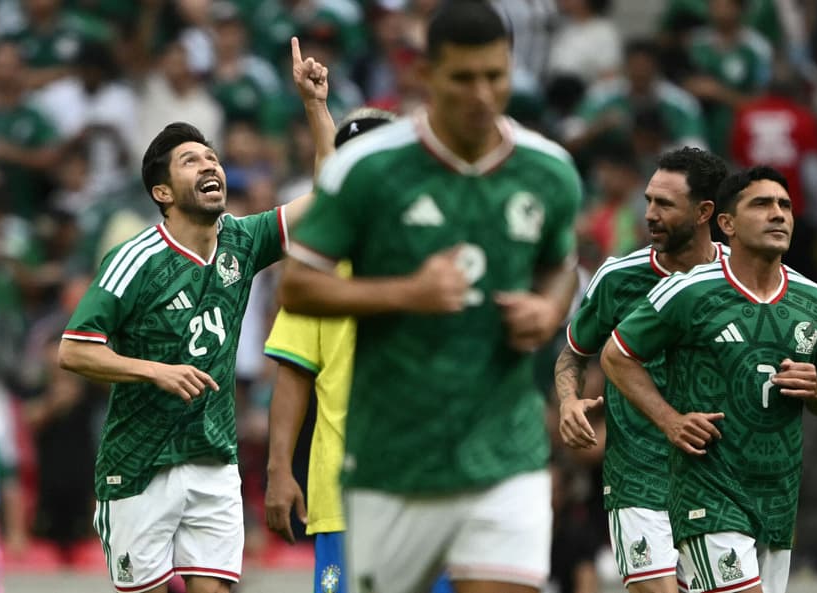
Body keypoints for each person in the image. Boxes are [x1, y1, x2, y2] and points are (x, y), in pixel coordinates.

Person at [278, 2, 583, 592]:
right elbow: (298, 285)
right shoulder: (368, 170)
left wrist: (548, 309)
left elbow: (560, 268)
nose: (482, 94)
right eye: (463, 78)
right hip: (393, 459)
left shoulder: (550, 172)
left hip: (504, 450)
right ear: (426, 74)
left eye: (495, 76)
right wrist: (408, 293)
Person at [57, 37, 332, 593]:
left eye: (212, 159)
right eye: (191, 161)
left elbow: (330, 195)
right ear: (162, 191)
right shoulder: (135, 259)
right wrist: (153, 371)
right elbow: (74, 349)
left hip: (213, 460)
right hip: (139, 466)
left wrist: (314, 106)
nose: (210, 165)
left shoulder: (242, 240)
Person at [600, 166, 817, 593]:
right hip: (708, 494)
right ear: (727, 223)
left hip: (777, 498)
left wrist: (816, 388)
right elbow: (617, 355)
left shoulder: (815, 301)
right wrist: (669, 420)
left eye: (785, 205)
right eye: (761, 204)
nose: (778, 214)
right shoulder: (688, 292)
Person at [264, 106, 451, 593]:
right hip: (343, 492)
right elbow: (294, 372)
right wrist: (279, 469)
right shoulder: (314, 271)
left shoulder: (441, 260)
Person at [556, 147, 729, 593]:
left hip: (719, 480)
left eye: (665, 204)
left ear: (704, 212)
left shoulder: (739, 279)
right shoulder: (617, 277)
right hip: (638, 479)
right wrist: (569, 400)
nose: (649, 213)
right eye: (649, 200)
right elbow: (574, 353)